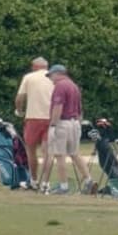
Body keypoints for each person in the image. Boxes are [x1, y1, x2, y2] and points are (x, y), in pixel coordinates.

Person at [45, 64, 93, 194]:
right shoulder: (73, 85)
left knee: (60, 155)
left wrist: (53, 125)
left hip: (62, 123)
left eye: (51, 75)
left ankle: (64, 186)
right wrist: (79, 123)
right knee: (75, 153)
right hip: (75, 122)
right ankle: (89, 181)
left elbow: (58, 107)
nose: (51, 79)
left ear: (58, 73)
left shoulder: (60, 86)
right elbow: (79, 108)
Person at [15, 56, 55, 184]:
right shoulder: (54, 78)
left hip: (33, 117)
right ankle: (46, 183)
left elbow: (20, 98)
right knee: (47, 152)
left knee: (31, 151)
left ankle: (33, 180)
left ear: (35, 66)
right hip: (51, 117)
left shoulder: (28, 77)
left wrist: (19, 111)